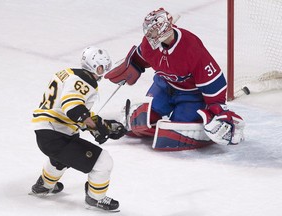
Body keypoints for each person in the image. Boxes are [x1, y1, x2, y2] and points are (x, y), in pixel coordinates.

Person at [104, 8, 245, 150]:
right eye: (148, 32)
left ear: (163, 30)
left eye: (152, 32)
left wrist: (217, 108)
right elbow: (142, 57)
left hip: (191, 95)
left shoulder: (191, 47)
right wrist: (133, 65)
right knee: (144, 117)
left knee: (177, 126)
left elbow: (214, 81)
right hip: (163, 86)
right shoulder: (149, 44)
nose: (149, 36)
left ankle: (215, 122)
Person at [30, 46, 126, 211]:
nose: (104, 71)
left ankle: (44, 185)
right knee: (103, 161)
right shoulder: (84, 80)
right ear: (94, 66)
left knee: (60, 158)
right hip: (56, 134)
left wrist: (104, 125)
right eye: (102, 67)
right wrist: (96, 126)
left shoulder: (67, 73)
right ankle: (96, 198)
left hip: (47, 131)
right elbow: (73, 108)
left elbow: (73, 111)